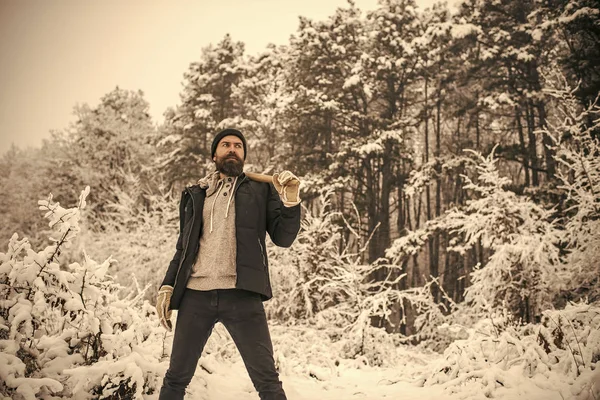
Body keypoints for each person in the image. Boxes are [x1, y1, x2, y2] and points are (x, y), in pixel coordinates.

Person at [155, 128, 301, 400]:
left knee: (267, 380)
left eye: (238, 146)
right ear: (214, 154)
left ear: (244, 155)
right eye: (225, 145)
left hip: (242, 294)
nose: (232, 149)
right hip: (195, 296)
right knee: (175, 379)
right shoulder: (195, 195)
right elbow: (183, 247)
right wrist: (167, 286)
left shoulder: (260, 189)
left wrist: (290, 201)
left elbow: (283, 238)